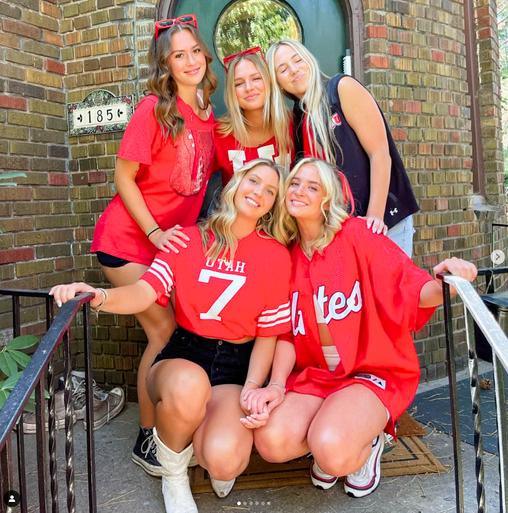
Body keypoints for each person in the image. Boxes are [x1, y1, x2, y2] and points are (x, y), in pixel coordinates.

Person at [51, 159, 292, 513]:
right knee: (188, 387)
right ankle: (174, 473)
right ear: (236, 184)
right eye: (253, 181)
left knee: (224, 462)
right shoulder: (188, 239)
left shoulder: (276, 256)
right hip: (185, 353)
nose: (259, 192)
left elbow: (269, 334)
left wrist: (253, 386)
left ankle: (199, 438)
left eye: (270, 191)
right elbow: (144, 292)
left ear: (273, 204)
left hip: (234, 364)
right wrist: (99, 296)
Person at [241, 158, 477, 498]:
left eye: (312, 186)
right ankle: (334, 431)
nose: (299, 191)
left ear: (327, 199)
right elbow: (286, 334)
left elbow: (409, 289)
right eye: (294, 183)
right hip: (316, 375)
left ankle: (365, 441)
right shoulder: (286, 255)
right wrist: (276, 386)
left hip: (370, 371)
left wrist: (446, 283)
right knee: (271, 442)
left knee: (332, 450)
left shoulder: (358, 235)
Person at [89, 14, 217, 475]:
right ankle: (147, 437)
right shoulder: (153, 109)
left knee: (179, 330)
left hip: (168, 250)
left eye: (195, 51)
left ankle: (175, 422)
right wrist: (154, 233)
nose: (190, 61)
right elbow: (123, 178)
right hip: (127, 241)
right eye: (178, 55)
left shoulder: (208, 115)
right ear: (166, 65)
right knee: (163, 333)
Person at [266, 39, 419, 256]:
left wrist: (374, 217)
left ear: (309, 61)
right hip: (343, 231)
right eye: (283, 69)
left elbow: (380, 154)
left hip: (382, 222)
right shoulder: (299, 118)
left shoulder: (342, 88)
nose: (293, 70)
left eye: (297, 60)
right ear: (278, 83)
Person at [215, 46, 293, 182]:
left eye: (256, 78)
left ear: (269, 81)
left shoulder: (292, 124)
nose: (249, 88)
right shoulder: (218, 134)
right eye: (239, 84)